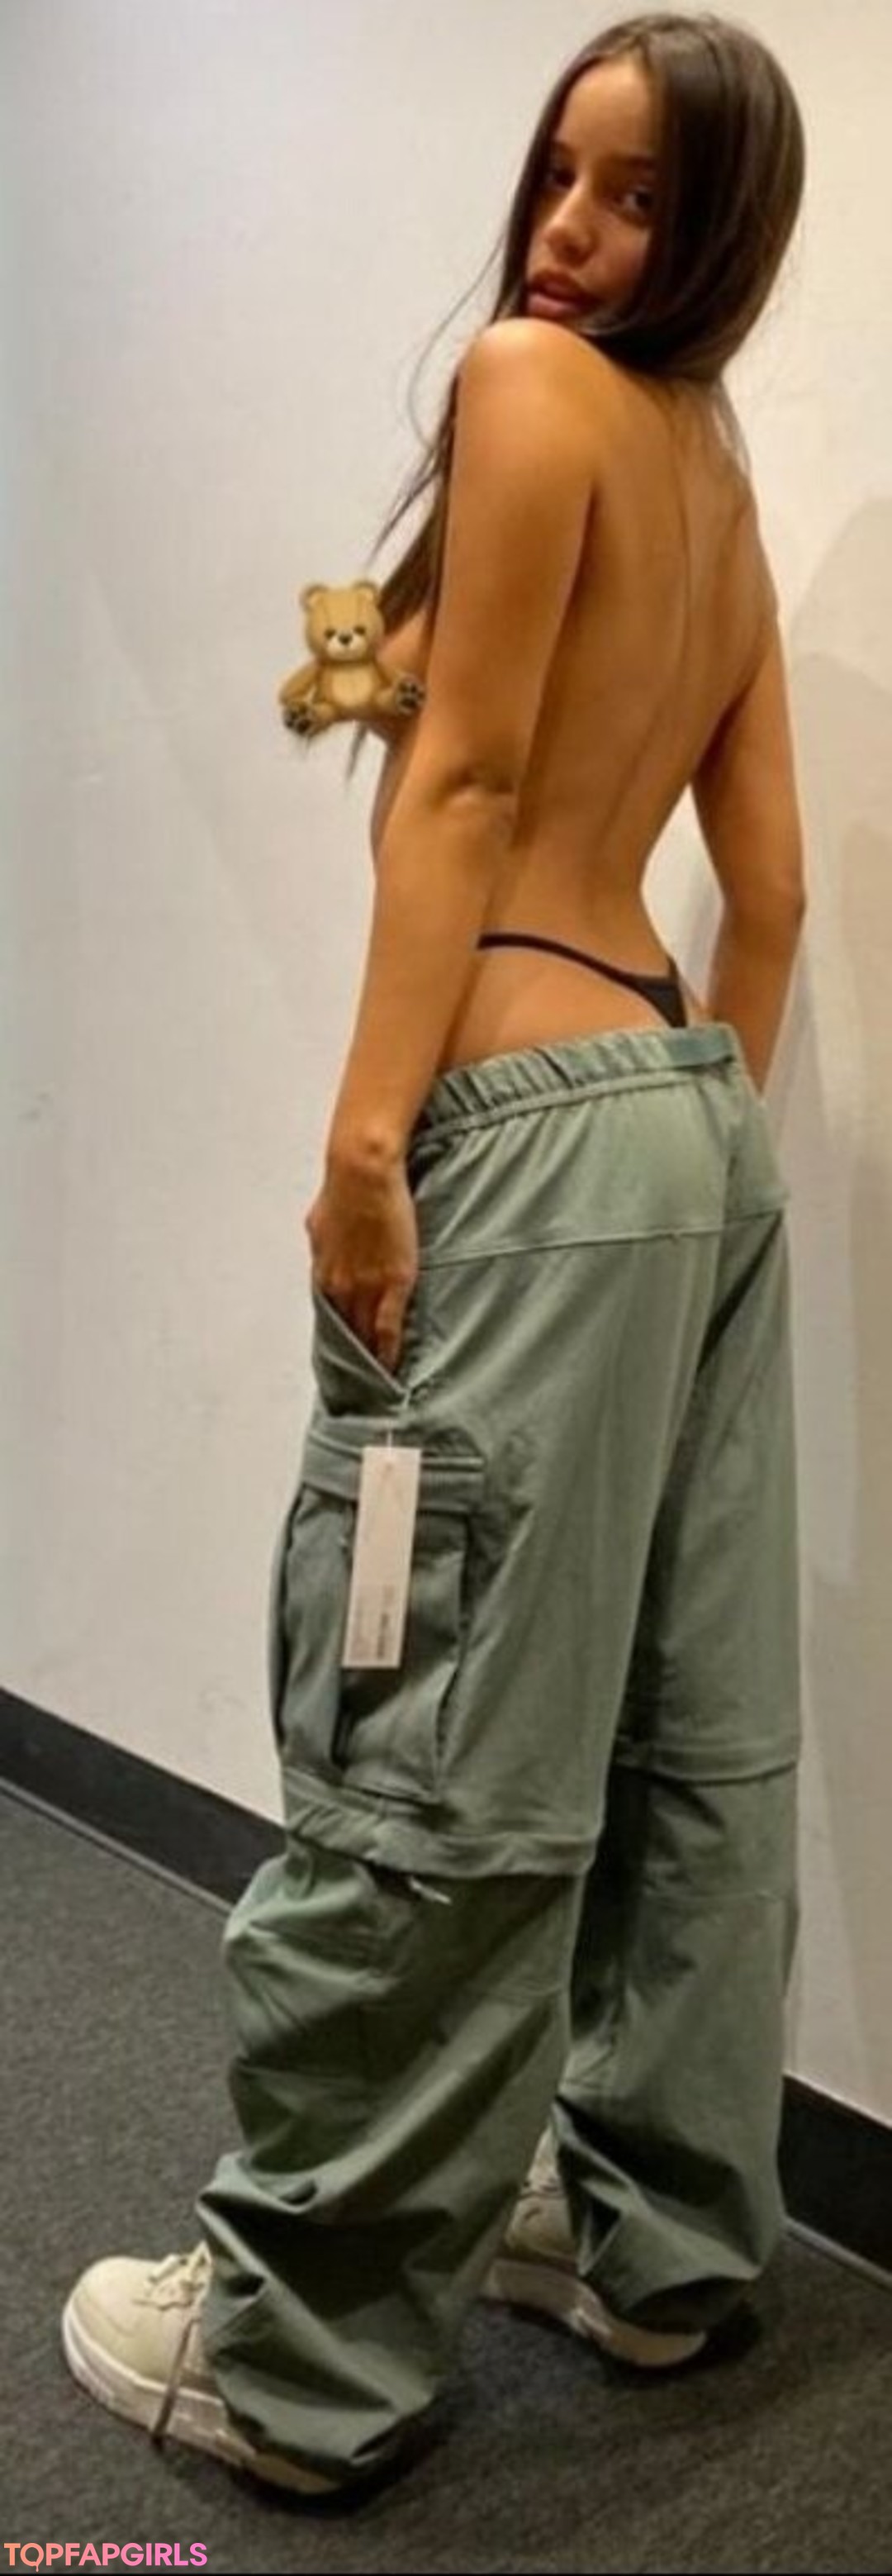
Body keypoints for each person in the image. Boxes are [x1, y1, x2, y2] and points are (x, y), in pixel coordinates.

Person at [61, 10, 808, 2500]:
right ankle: (653, 2242)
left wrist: (373, 1135)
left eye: (639, 198)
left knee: (431, 1736)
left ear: (720, 231)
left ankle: (292, 2357)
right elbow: (770, 892)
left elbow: (475, 778)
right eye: (561, 177)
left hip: (524, 1128)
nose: (573, 236)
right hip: (685, 1119)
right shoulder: (712, 463)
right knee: (680, 1733)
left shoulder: (523, 386)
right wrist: (683, 1150)